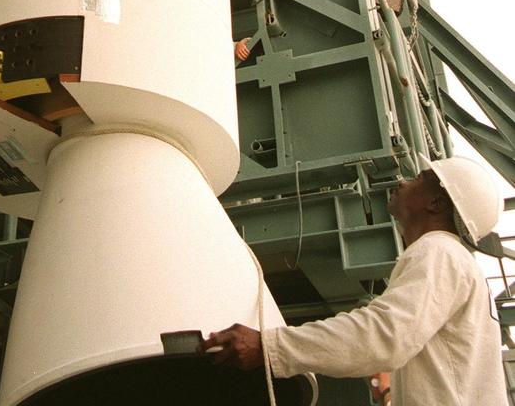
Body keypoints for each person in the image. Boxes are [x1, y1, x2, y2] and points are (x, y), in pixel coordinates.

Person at [204, 154, 508, 405]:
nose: (403, 181)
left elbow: (387, 335)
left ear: (436, 204)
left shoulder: (438, 251)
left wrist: (269, 346)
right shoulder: (458, 263)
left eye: (419, 179)